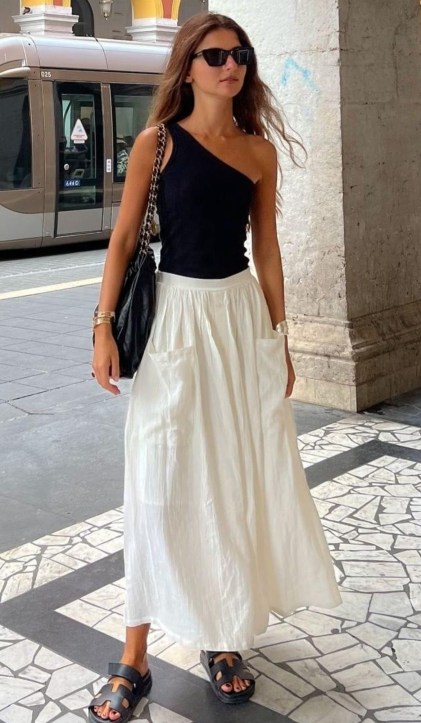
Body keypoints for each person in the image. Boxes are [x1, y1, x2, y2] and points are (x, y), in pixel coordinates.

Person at [89, 12, 342, 722]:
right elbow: (122, 241)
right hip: (174, 317)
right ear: (188, 66)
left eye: (240, 54)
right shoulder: (157, 143)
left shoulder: (259, 152)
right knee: (158, 478)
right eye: (215, 55)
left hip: (237, 319)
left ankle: (223, 637)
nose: (231, 65)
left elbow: (267, 249)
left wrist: (279, 338)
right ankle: (133, 655)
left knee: (230, 478)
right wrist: (102, 326)